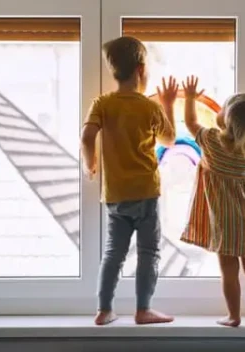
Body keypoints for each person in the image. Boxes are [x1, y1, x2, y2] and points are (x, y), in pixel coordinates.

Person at [81, 36, 178, 326]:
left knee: (113, 253)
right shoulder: (149, 108)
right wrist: (168, 104)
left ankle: (104, 310)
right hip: (146, 193)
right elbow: (170, 139)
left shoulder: (103, 104)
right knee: (148, 252)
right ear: (141, 69)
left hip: (116, 195)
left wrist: (91, 163)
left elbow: (87, 136)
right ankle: (143, 309)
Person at [180, 76, 245, 327]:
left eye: (224, 107)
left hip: (223, 221)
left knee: (229, 272)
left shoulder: (213, 141)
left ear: (228, 120)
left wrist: (191, 98)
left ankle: (234, 316)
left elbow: (191, 123)